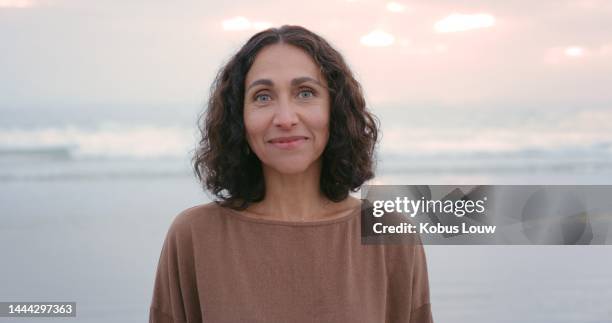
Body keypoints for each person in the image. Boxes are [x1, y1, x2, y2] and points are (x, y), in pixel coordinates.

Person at [149, 25, 433, 323]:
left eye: (305, 92)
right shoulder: (194, 235)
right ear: (239, 118)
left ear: (335, 109)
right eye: (262, 97)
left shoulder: (391, 232)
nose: (285, 118)